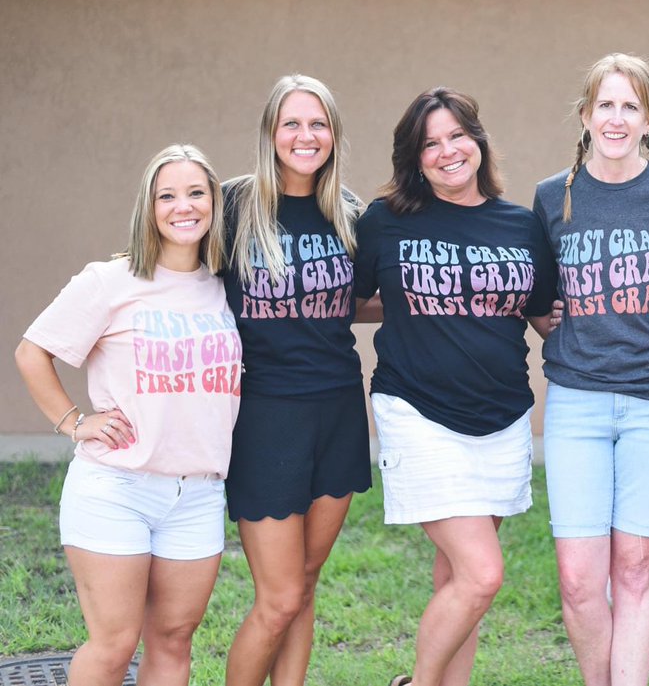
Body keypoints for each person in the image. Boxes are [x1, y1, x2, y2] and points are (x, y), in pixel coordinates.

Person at [15, 145, 240, 686]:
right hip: (117, 488)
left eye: (196, 193)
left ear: (214, 203)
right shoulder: (110, 280)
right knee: (115, 645)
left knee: (173, 640)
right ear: (149, 207)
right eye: (167, 195)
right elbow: (32, 352)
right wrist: (74, 421)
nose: (182, 206)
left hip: (199, 494)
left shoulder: (225, 285)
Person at [354, 87, 555, 686]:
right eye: (430, 144)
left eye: (456, 137)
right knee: (481, 574)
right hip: (417, 410)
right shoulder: (386, 220)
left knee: (457, 577)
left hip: (501, 415)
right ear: (414, 159)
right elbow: (355, 302)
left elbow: (544, 314)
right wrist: (418, 307)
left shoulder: (521, 224)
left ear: (478, 141)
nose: (447, 152)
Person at [532, 53, 649, 686]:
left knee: (634, 568)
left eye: (630, 105)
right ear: (584, 115)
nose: (616, 117)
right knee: (580, 578)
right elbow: (540, 297)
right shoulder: (553, 197)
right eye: (605, 104)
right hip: (576, 399)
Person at [222, 74, 372, 686]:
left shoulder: (352, 213)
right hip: (265, 416)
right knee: (278, 597)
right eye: (292, 123)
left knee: (306, 585)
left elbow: (368, 300)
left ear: (333, 135)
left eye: (318, 124)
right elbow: (166, 259)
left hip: (337, 409)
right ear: (270, 132)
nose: (305, 136)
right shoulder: (231, 206)